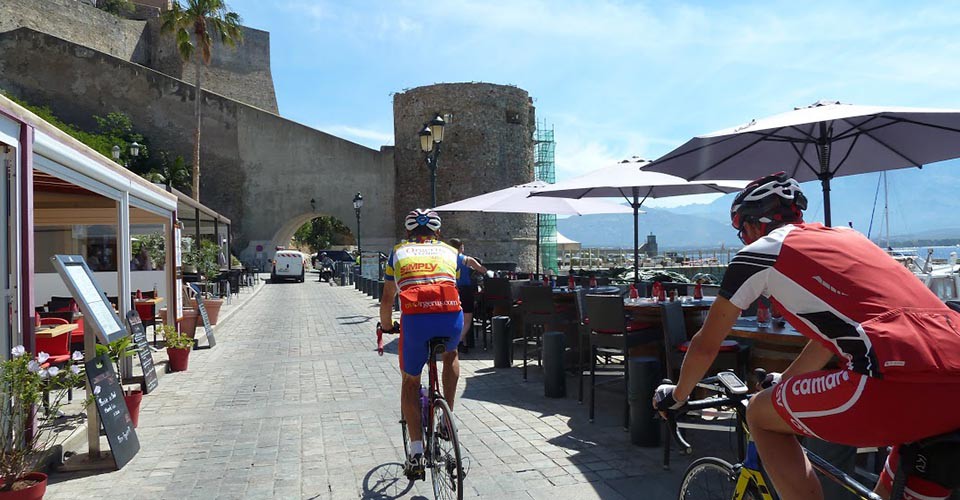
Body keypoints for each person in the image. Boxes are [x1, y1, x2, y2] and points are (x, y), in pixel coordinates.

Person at [653, 172, 960, 500]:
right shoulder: (850, 237)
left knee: (759, 413)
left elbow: (706, 344)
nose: (743, 239)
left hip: (887, 373)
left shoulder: (761, 252)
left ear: (754, 225)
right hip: (951, 369)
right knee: (887, 492)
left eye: (741, 231)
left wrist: (678, 396)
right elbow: (827, 340)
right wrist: (786, 380)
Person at [379, 209, 463, 481]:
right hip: (451, 316)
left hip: (416, 320)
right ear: (438, 232)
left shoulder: (398, 252)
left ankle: (416, 452)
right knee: (451, 354)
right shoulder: (451, 252)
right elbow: (452, 281)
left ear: (408, 232)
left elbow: (387, 299)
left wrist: (387, 325)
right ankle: (447, 420)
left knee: (410, 382)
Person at [447, 237, 490, 352]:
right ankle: (458, 341)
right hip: (465, 290)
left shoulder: (446, 260)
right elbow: (482, 270)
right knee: (467, 319)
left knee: (457, 318)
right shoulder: (467, 260)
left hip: (451, 290)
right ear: (461, 247)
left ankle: (463, 344)